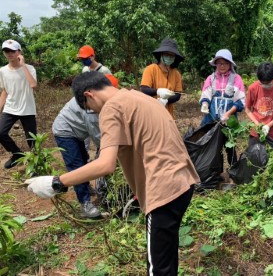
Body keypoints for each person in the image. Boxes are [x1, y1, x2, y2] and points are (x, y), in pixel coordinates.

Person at [26, 71, 200, 275]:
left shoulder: (111, 108)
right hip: (184, 182)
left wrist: (57, 182)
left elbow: (105, 165)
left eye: (89, 108)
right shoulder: (140, 98)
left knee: (159, 269)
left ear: (89, 95)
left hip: (164, 191)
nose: (94, 113)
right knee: (166, 254)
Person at [52, 74, 118, 218]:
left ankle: (86, 186)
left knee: (83, 159)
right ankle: (85, 203)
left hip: (78, 132)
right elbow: (100, 139)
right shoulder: (90, 107)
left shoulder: (100, 100)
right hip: (65, 131)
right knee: (76, 165)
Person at [199, 49, 246, 166]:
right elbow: (206, 95)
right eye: (219, 63)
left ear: (230, 64)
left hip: (229, 120)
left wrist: (228, 114)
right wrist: (205, 104)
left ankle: (233, 171)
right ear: (215, 64)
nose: (222, 66)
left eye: (225, 63)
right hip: (211, 119)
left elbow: (240, 101)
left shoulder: (236, 79)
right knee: (213, 147)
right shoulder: (211, 78)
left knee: (230, 146)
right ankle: (215, 173)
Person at [0, 39, 37, 169]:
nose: (9, 53)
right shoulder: (3, 70)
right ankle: (17, 154)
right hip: (10, 108)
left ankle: (37, 163)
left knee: (32, 140)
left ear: (19, 52)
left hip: (27, 108)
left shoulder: (30, 68)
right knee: (1, 132)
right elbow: (5, 90)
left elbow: (33, 84)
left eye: (12, 51)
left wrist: (23, 66)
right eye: (6, 51)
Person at [245, 62, 273, 148]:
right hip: (256, 132)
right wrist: (257, 124)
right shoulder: (253, 88)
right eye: (262, 83)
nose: (265, 85)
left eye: (268, 83)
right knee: (255, 158)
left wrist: (268, 125)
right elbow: (247, 109)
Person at [140, 38, 184, 118]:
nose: (169, 57)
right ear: (161, 55)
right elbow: (144, 89)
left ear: (175, 57)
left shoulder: (176, 74)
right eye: (167, 54)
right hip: (150, 112)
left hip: (168, 114)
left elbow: (177, 94)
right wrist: (158, 91)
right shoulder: (150, 69)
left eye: (172, 55)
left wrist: (166, 100)